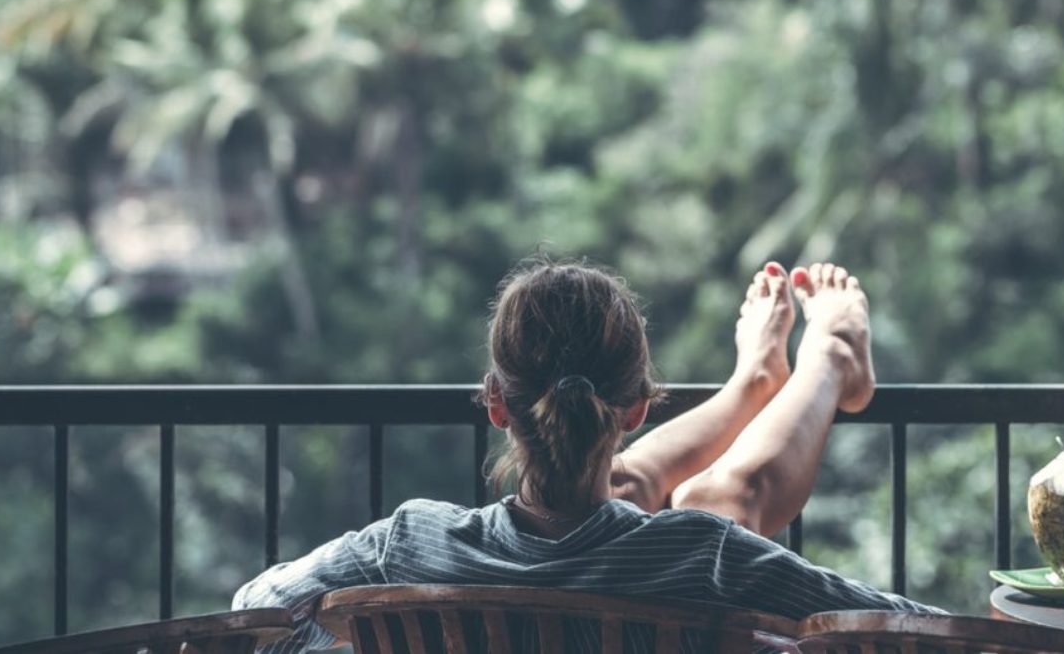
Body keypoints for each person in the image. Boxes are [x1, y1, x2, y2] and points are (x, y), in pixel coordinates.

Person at [233, 259, 941, 653]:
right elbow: (908, 633)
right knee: (708, 502)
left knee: (671, 500)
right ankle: (818, 357)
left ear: (495, 403)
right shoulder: (705, 556)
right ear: (636, 408)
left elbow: (256, 609)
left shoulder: (408, 544)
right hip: (671, 543)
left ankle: (762, 380)